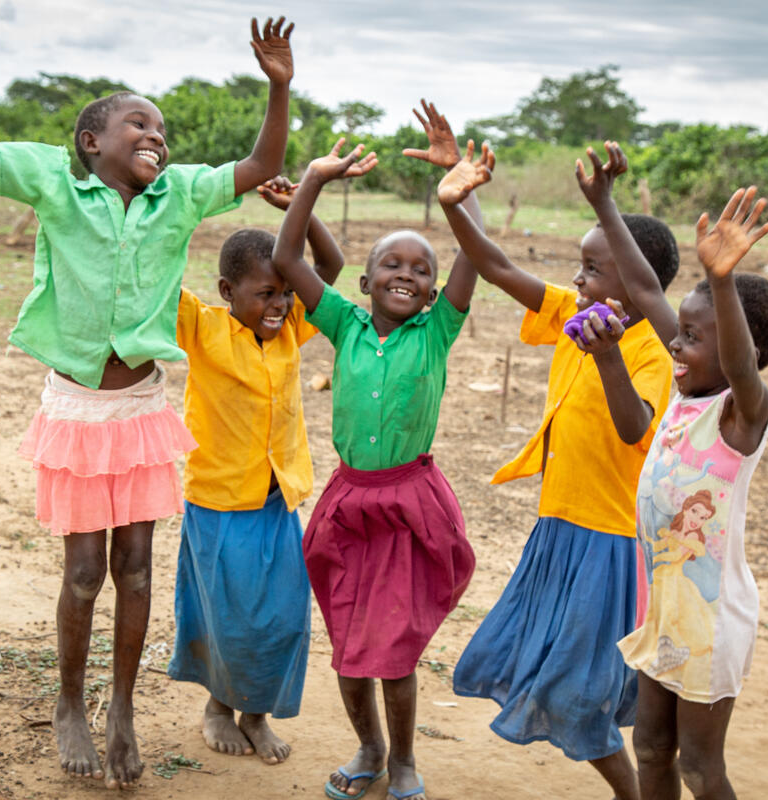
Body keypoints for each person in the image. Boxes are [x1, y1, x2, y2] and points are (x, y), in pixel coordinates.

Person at [0, 9, 295, 789]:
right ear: (92, 143)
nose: (155, 134)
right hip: (79, 411)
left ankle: (121, 707)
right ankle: (70, 703)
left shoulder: (180, 195)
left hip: (142, 409)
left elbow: (259, 163)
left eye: (161, 128)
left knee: (138, 569)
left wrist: (279, 89)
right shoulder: (56, 180)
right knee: (84, 572)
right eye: (136, 124)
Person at [439, 141, 679, 800]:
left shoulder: (654, 351)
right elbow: (492, 263)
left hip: (609, 544)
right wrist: (456, 193)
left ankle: (638, 790)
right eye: (579, 267)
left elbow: (635, 428)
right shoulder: (574, 317)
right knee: (546, 674)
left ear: (638, 282)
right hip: (558, 531)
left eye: (593, 269)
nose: (578, 281)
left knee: (580, 690)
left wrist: (607, 358)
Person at [271, 103, 488, 800]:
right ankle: (366, 747)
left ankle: (403, 761)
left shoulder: (436, 331)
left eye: (420, 269)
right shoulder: (342, 323)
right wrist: (310, 182)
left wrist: (459, 181)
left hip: (409, 503)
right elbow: (284, 259)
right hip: (349, 504)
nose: (407, 274)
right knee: (348, 641)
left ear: (432, 291)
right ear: (362, 284)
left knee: (393, 653)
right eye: (389, 265)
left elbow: (476, 256)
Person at [581, 143, 768, 800]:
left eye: (694, 337)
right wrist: (604, 204)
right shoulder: (685, 390)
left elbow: (738, 361)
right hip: (665, 603)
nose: (676, 342)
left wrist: (723, 282)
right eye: (681, 330)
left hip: (712, 619)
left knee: (701, 767)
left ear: (734, 350)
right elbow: (644, 288)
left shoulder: (741, 416)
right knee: (650, 747)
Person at [168, 180, 344, 766]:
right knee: (229, 615)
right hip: (218, 503)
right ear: (226, 291)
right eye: (265, 293)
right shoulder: (202, 327)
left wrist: (301, 209)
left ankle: (257, 713)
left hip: (277, 500)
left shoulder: (292, 328)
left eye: (286, 294)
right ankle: (220, 705)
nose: (279, 305)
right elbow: (153, 281)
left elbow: (332, 265)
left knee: (284, 617)